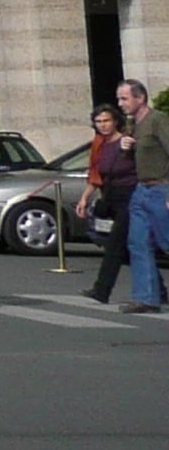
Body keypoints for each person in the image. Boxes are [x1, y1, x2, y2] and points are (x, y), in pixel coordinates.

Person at [78, 105, 136, 304]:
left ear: (116, 121)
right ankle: (160, 292)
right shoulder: (99, 144)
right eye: (99, 122)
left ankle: (101, 290)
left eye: (106, 121)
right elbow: (96, 175)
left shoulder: (127, 142)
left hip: (130, 197)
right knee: (134, 247)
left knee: (115, 245)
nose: (103, 125)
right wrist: (85, 198)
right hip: (110, 196)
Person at [123, 77, 169, 314]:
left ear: (140, 98)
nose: (121, 104)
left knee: (166, 241)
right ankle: (147, 298)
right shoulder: (133, 125)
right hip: (141, 191)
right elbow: (134, 161)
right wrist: (127, 150)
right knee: (138, 243)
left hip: (162, 188)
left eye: (125, 98)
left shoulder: (157, 120)